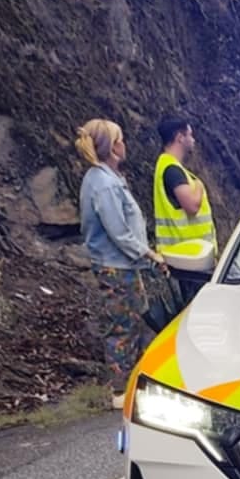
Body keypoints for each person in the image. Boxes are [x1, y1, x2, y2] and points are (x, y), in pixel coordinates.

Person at [75, 118, 165, 403]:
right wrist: (149, 254)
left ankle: (135, 383)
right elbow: (118, 231)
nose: (125, 144)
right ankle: (119, 391)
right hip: (116, 267)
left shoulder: (106, 179)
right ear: (113, 146)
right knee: (122, 326)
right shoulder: (104, 184)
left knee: (137, 320)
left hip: (125, 265)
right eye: (120, 139)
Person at [151, 113, 216, 306]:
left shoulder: (169, 166)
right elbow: (191, 206)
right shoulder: (172, 170)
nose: (193, 139)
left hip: (188, 256)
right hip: (187, 258)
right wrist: (199, 187)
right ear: (180, 137)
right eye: (190, 135)